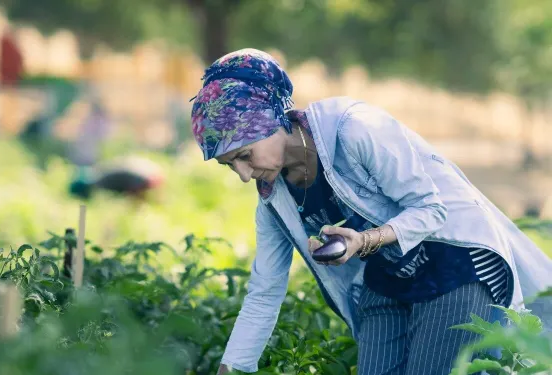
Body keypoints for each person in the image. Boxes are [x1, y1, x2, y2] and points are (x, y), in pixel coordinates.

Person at [189, 49, 552, 375]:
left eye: (243, 155)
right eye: (229, 165)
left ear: (272, 121)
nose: (243, 175)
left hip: (451, 263)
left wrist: (364, 239)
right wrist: (232, 368)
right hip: (387, 278)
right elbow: (265, 291)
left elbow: (431, 208)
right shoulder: (273, 198)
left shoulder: (353, 128)